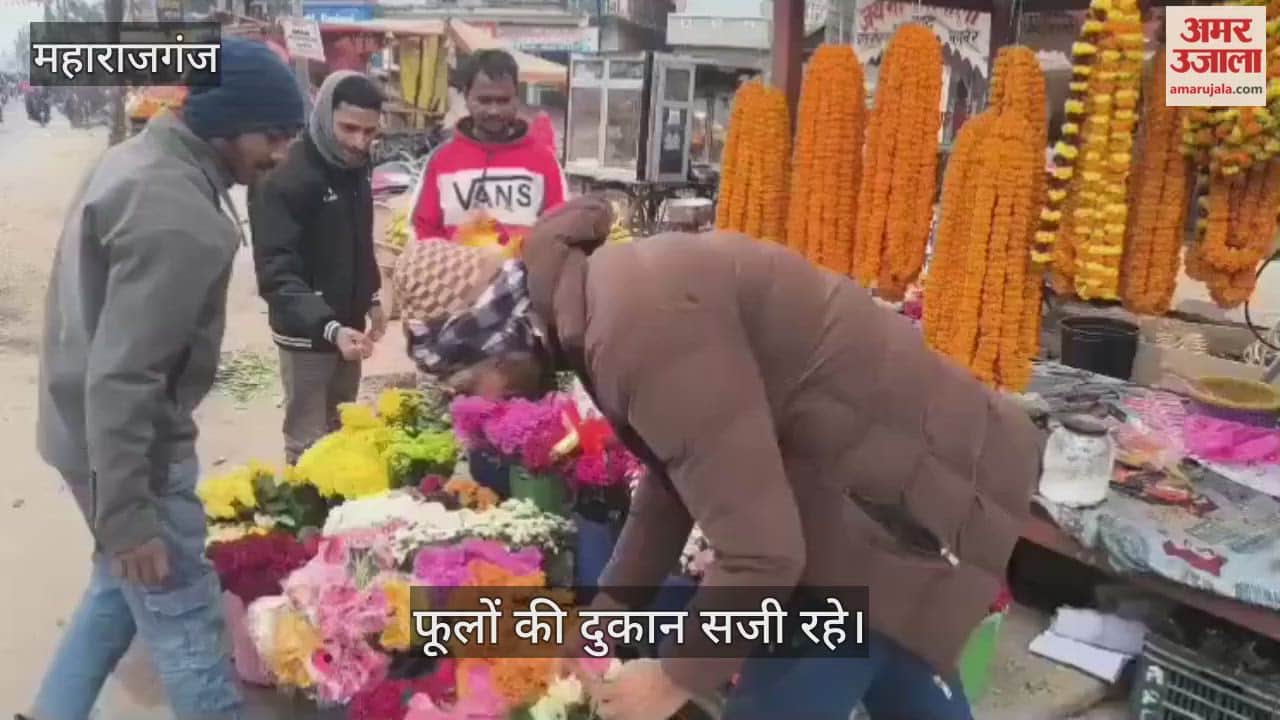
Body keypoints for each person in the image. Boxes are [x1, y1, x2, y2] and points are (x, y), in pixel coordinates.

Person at [393, 196, 1046, 720]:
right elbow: (676, 475)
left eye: (467, 381)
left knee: (795, 678)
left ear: (496, 333)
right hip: (874, 496)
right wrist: (612, 610)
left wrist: (676, 676)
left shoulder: (635, 328)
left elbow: (764, 553)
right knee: (898, 652)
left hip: (902, 497)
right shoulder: (598, 307)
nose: (482, 402)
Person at [31, 38, 304, 720]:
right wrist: (129, 517)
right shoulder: (176, 212)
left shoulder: (132, 160)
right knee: (187, 625)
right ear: (225, 121)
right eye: (273, 135)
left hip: (81, 435)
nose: (281, 154)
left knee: (114, 598)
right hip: (131, 453)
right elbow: (125, 378)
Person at [249, 71, 385, 464]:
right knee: (308, 443)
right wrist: (328, 326)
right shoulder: (284, 175)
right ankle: (305, 525)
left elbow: (360, 238)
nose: (360, 141)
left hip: (349, 329)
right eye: (349, 128)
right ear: (325, 115)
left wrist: (372, 296)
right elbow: (276, 273)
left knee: (342, 432)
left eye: (369, 131)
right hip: (306, 335)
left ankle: (339, 523)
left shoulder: (355, 166)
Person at [410, 49, 567, 253]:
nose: (494, 110)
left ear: (516, 98)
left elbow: (560, 228)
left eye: (503, 101)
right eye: (484, 100)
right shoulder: (442, 161)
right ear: (466, 96)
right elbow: (423, 229)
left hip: (524, 281)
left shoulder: (544, 161)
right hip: (460, 280)